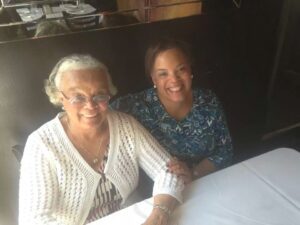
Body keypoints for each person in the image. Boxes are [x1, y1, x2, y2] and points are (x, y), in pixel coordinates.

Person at [18, 54, 184, 225]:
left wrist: (159, 215)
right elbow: (33, 220)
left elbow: (168, 170)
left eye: (100, 95)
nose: (90, 106)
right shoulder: (41, 144)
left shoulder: (125, 125)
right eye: (78, 97)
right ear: (61, 98)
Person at [111, 38, 233, 186]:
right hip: (155, 193)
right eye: (163, 74)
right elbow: (98, 112)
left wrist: (193, 173)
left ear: (190, 70)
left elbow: (225, 150)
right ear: (153, 78)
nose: (174, 80)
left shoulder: (207, 100)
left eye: (181, 69)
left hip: (205, 183)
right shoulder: (134, 106)